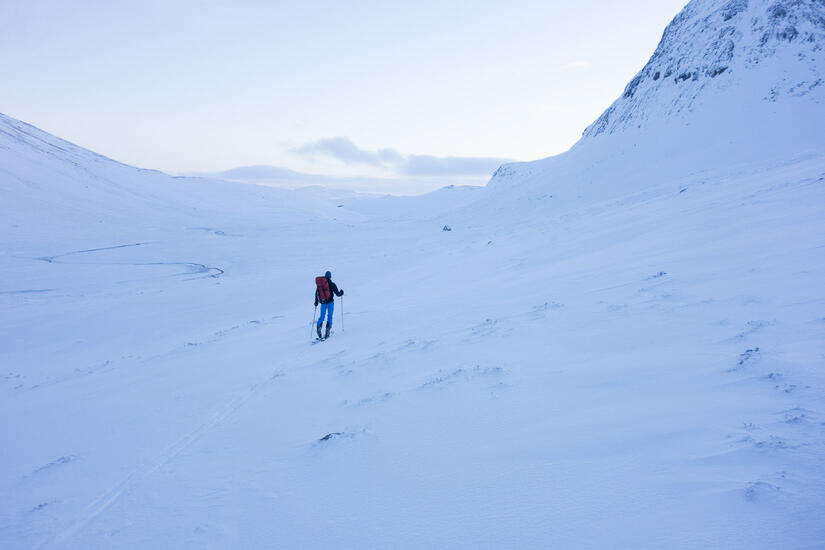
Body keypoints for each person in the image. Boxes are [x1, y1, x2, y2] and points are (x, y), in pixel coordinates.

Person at [314, 271, 343, 339]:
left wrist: (316, 302)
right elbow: (338, 294)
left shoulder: (320, 285)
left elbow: (317, 293)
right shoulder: (332, 284)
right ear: (330, 276)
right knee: (329, 316)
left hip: (323, 303)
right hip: (330, 303)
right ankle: (327, 331)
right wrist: (341, 293)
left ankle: (318, 327)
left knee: (322, 316)